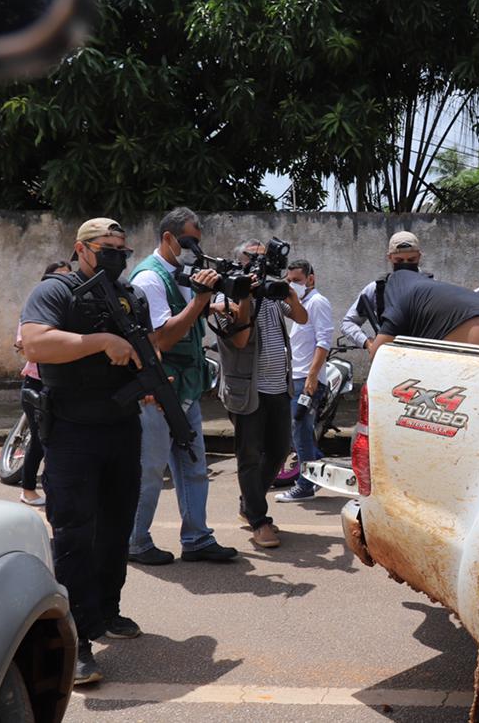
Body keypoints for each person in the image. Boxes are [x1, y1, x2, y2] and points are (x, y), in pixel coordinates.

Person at [19, 218, 148, 685]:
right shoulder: (57, 291)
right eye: (106, 247)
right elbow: (34, 342)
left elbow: (144, 348)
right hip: (72, 431)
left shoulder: (132, 294)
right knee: (75, 532)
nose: (116, 254)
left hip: (121, 427)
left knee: (116, 527)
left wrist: (149, 381)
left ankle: (107, 611)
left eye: (122, 248)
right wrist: (100, 341)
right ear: (81, 248)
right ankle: (76, 642)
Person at [126, 208, 237, 566]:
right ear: (169, 238)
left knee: (193, 464)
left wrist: (216, 305)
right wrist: (202, 300)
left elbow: (187, 314)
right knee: (151, 468)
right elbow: (164, 337)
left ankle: (197, 538)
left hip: (185, 387)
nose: (193, 250)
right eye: (188, 242)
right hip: (159, 390)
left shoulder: (180, 275)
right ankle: (135, 541)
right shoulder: (149, 279)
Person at [214, 239, 308, 549]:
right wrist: (246, 296)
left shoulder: (271, 293)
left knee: (280, 450)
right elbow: (238, 339)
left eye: (262, 260)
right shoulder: (227, 293)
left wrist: (290, 293)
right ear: (240, 262)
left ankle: (249, 502)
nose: (259, 265)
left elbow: (302, 317)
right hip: (248, 390)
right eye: (253, 260)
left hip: (279, 387)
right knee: (250, 455)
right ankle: (258, 519)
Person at [275, 259, 333, 502]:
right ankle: (316, 470)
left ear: (311, 278)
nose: (293, 285)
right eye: (289, 281)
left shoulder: (318, 303)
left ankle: (305, 485)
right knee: (301, 431)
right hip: (295, 377)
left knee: (300, 431)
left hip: (306, 380)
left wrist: (311, 378)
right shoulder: (301, 305)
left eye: (297, 280)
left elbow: (324, 342)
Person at [14, 260, 71, 507]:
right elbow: (24, 345)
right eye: (58, 278)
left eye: (68, 278)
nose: (64, 283)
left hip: (63, 385)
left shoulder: (72, 309)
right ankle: (28, 490)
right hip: (37, 384)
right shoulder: (36, 312)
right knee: (40, 439)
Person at [367, 269, 479, 354]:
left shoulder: (397, 294)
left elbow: (378, 355)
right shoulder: (429, 289)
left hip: (469, 328)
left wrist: (370, 345)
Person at [341, 231, 428, 350]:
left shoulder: (432, 287)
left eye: (411, 260)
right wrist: (368, 343)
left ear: (419, 256)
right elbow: (349, 323)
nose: (405, 264)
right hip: (389, 357)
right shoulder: (377, 289)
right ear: (390, 258)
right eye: (399, 260)